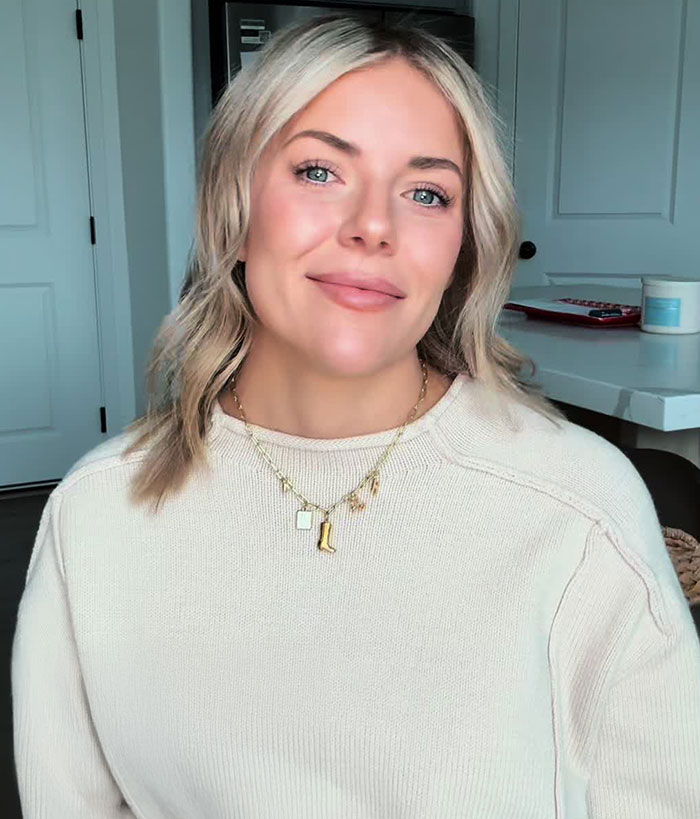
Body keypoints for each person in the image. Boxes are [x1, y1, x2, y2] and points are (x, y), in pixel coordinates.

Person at [11, 14, 700, 818]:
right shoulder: (96, 514)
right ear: (233, 210)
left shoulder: (579, 509)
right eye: (319, 171)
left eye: (426, 193)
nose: (374, 225)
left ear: (461, 249)